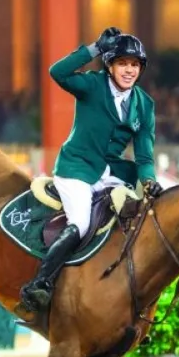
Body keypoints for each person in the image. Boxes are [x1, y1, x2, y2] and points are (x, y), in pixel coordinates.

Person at [19, 28, 163, 314]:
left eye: (135, 65)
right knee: (82, 223)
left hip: (114, 174)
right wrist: (95, 48)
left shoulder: (145, 105)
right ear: (109, 65)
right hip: (78, 168)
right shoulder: (92, 86)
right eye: (123, 63)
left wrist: (149, 181)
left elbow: (145, 155)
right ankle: (40, 284)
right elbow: (57, 72)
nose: (129, 70)